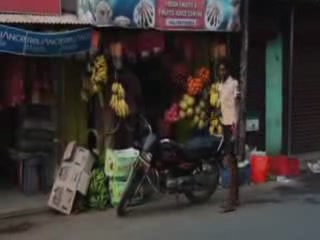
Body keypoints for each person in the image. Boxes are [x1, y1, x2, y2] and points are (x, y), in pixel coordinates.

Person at [218, 59, 240, 213]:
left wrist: (236, 128)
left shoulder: (234, 84)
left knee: (230, 160)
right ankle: (235, 197)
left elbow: (238, 106)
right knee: (233, 161)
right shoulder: (221, 85)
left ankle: (231, 200)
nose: (222, 72)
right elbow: (223, 106)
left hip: (232, 125)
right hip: (224, 124)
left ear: (229, 70)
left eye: (224, 69)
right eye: (220, 70)